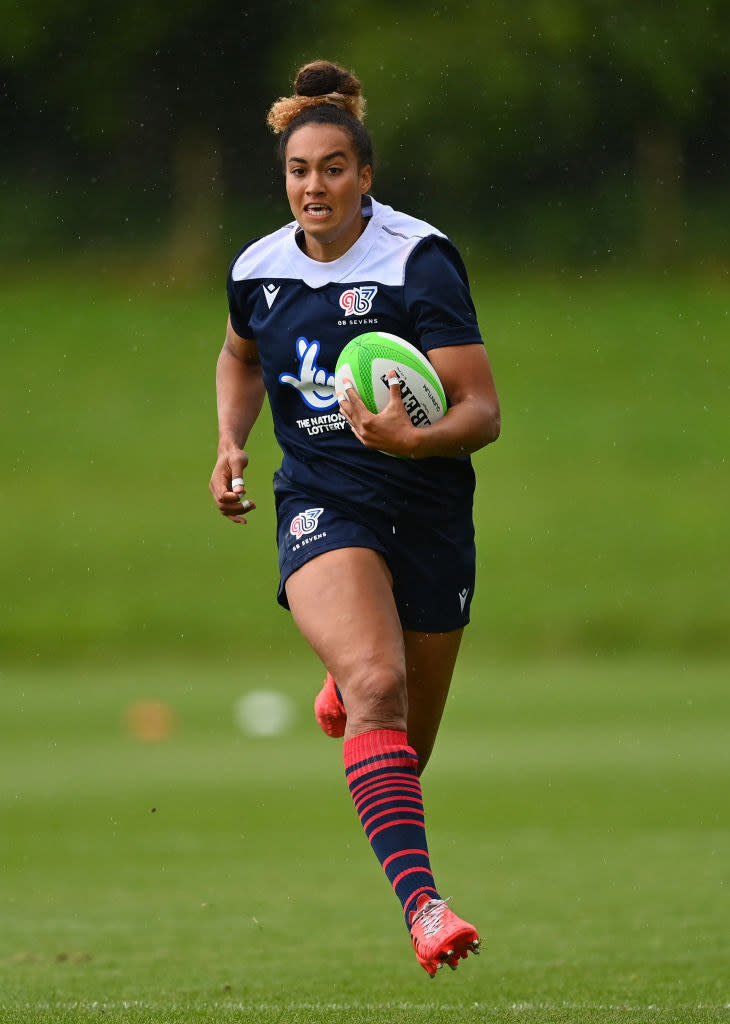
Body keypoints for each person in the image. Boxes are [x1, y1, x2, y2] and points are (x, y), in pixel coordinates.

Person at [210, 59, 500, 976]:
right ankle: (425, 908)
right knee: (378, 684)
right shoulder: (258, 269)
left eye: (334, 168)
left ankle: (347, 671)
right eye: (300, 171)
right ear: (284, 178)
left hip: (429, 509)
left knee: (404, 752)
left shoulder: (419, 260)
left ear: (365, 176)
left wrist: (414, 442)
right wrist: (230, 442)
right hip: (323, 504)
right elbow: (240, 357)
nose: (314, 186)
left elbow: (481, 411)